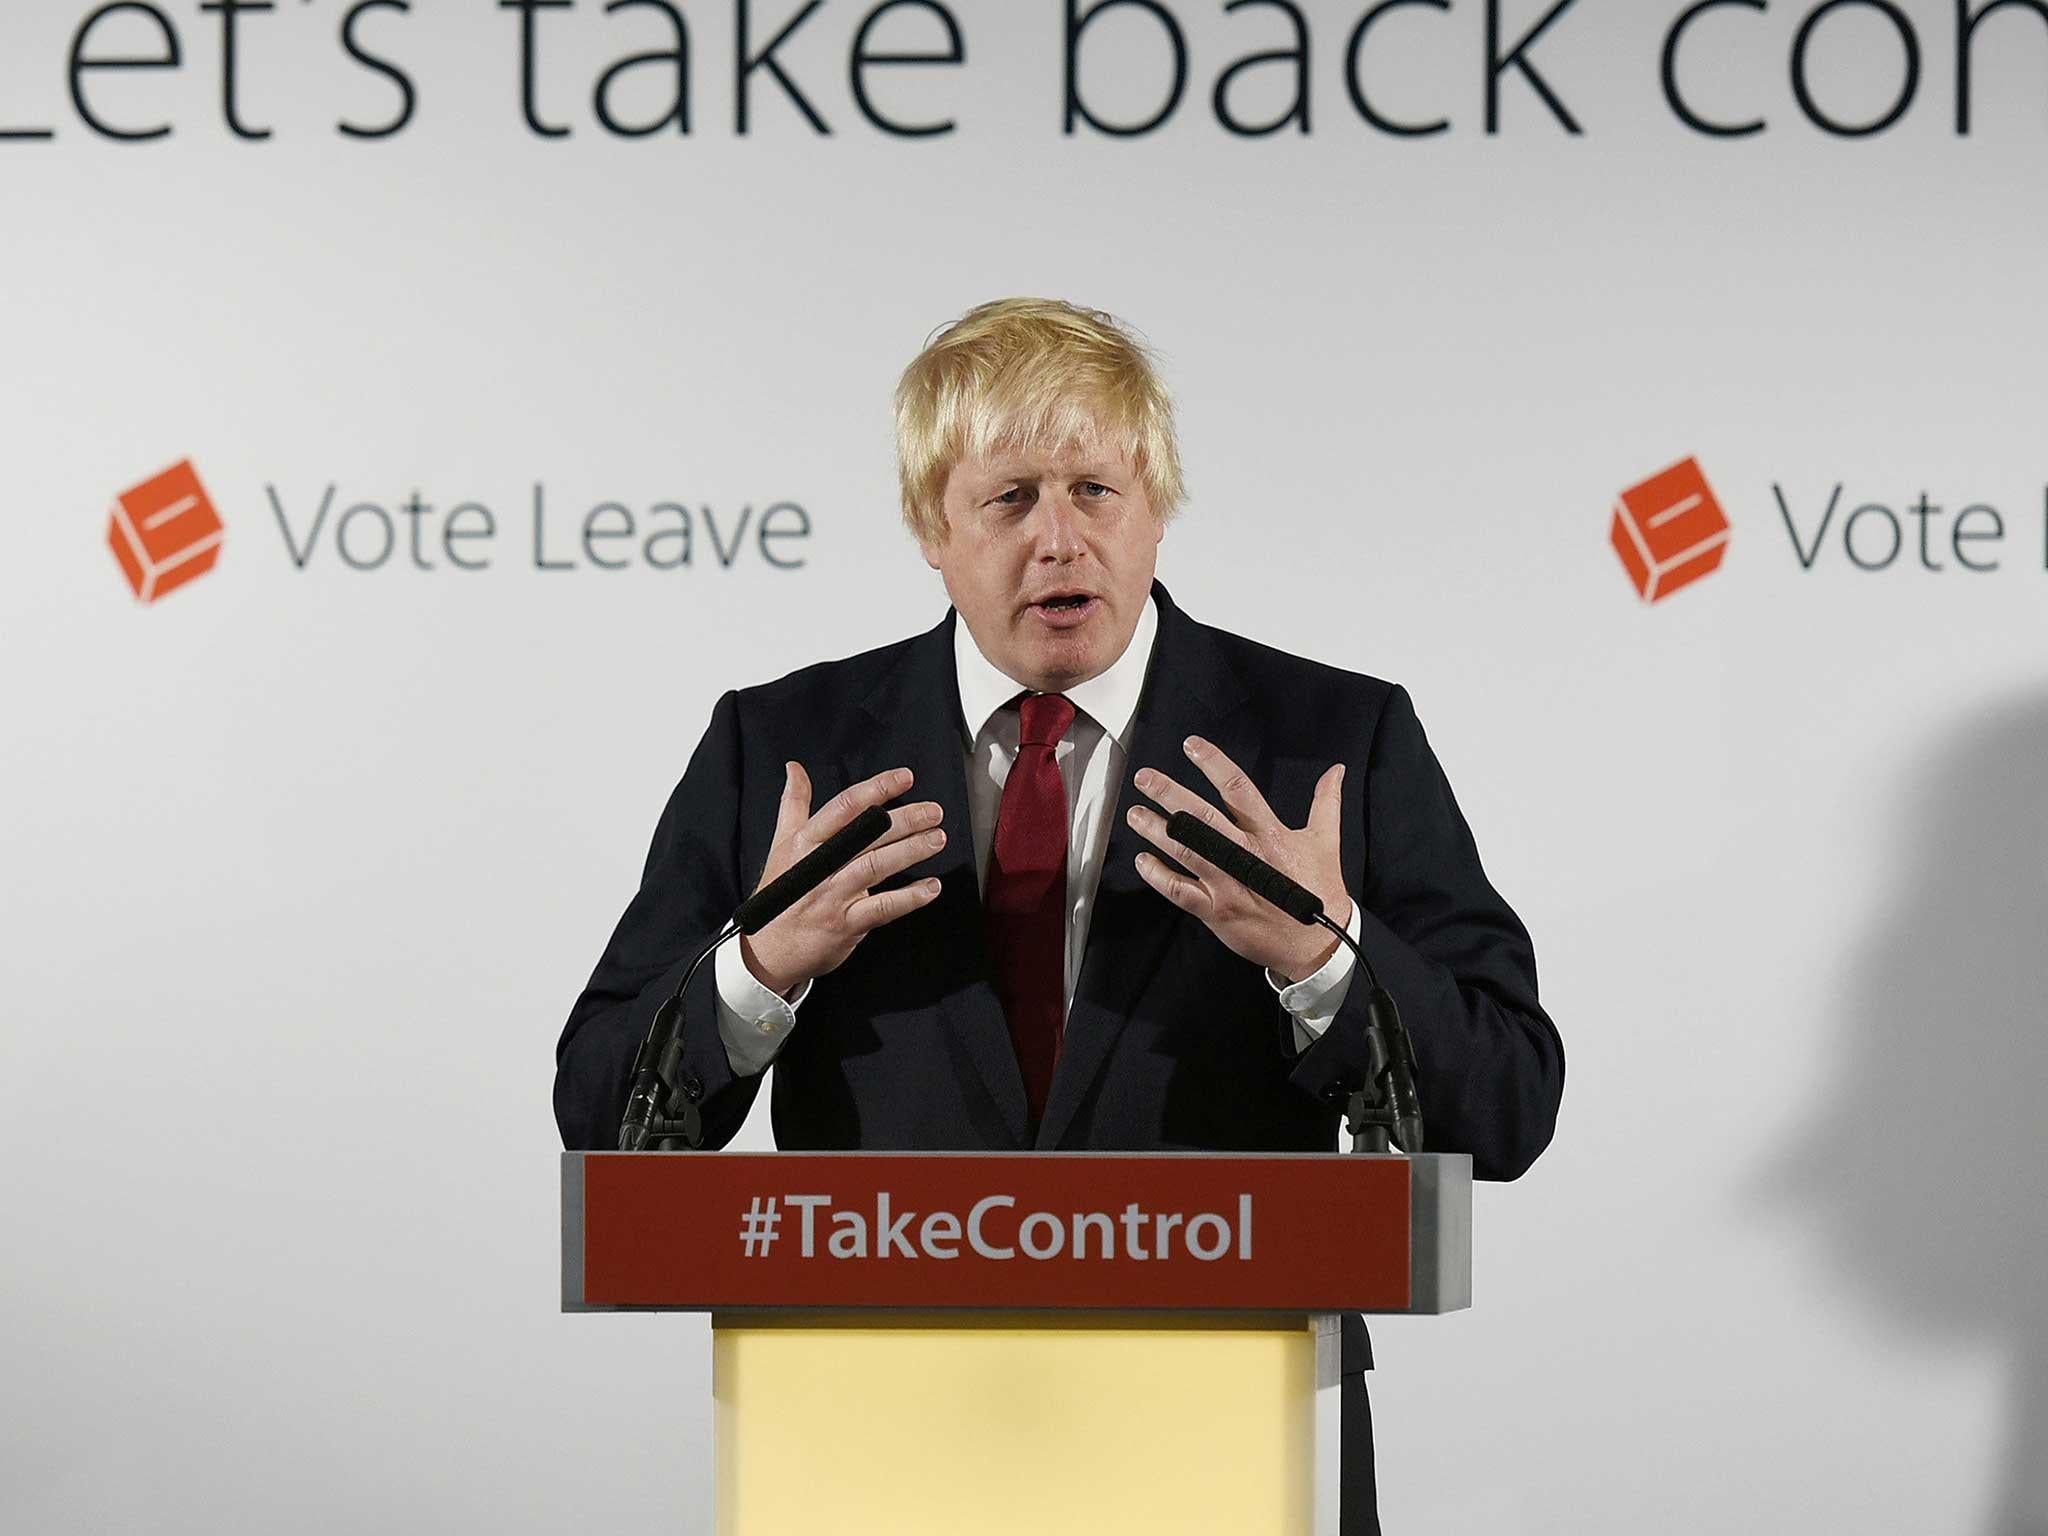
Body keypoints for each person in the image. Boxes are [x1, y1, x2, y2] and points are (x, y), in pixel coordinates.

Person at [555, 297, 1565, 1533]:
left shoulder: (1326, 743)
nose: (1059, 541)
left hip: (1229, 1433)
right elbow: (599, 1110)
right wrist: (758, 968)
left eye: (1095, 489)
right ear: (933, 525)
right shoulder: (787, 750)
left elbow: (1507, 1102)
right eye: (1010, 497)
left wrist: (1322, 958)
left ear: (1156, 508)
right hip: (873, 1427)